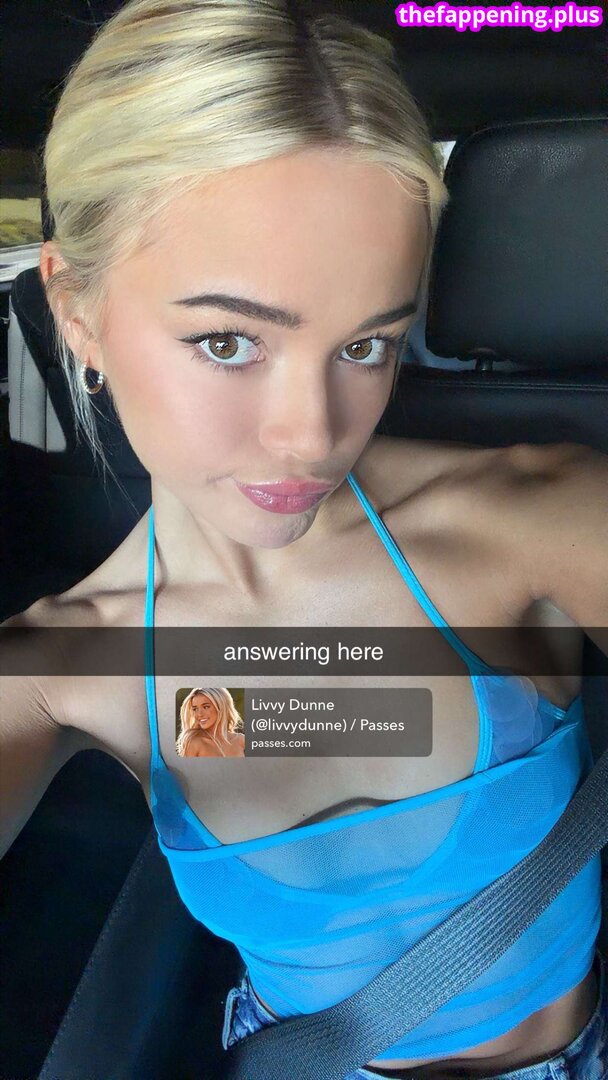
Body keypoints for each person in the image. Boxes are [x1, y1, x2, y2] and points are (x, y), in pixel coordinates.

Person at [1, 2, 607, 1078]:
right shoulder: (57, 668)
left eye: (367, 345)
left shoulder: (530, 521)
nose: (312, 435)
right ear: (77, 311)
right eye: (227, 341)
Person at [176, 688, 245, 758]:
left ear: (221, 706)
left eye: (206, 707)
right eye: (195, 709)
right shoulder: (194, 743)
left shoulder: (241, 740)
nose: (199, 714)